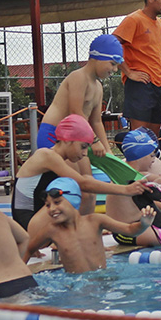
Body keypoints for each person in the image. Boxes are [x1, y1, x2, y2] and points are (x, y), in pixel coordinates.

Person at [12, 114, 148, 231]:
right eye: (83, 147)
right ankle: (81, 232)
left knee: (78, 190)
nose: (84, 154)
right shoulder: (46, 155)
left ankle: (83, 231)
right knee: (73, 192)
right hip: (28, 224)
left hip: (38, 219)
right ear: (67, 140)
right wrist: (126, 189)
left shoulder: (59, 159)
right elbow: (84, 184)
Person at [36, 34, 124, 212]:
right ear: (97, 57)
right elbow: (75, 113)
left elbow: (96, 121)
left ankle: (84, 224)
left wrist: (108, 152)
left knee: (88, 187)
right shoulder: (78, 77)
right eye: (112, 64)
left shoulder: (98, 87)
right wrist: (94, 141)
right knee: (77, 184)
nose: (115, 70)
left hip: (77, 138)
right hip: (55, 136)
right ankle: (62, 221)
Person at [23, 177, 155, 273]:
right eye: (47, 205)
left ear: (74, 200)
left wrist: (143, 224)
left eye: (57, 202)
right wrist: (20, 275)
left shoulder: (95, 221)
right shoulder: (52, 230)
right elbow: (28, 249)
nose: (51, 209)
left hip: (102, 280)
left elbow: (130, 230)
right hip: (74, 287)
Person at [113, 0, 161, 135]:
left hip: (158, 83)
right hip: (140, 84)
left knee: (153, 137)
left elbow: (155, 53)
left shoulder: (160, 23)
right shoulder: (134, 19)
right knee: (139, 137)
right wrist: (129, 72)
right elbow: (111, 43)